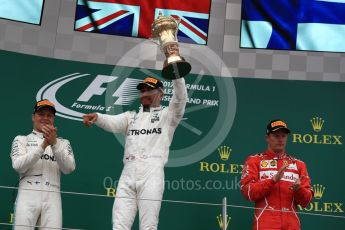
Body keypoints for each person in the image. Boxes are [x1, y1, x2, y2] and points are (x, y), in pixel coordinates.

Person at [83, 76, 187, 230]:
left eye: (149, 90)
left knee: (148, 226)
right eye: (142, 91)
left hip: (152, 173)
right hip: (128, 173)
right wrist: (97, 118)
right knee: (119, 226)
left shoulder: (168, 115)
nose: (144, 94)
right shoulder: (131, 117)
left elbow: (180, 98)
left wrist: (177, 76)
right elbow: (112, 122)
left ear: (161, 94)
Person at [10, 99, 76, 230]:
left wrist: (54, 143)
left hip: (53, 197)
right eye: (41, 114)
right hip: (27, 195)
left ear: (53, 119)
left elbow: (69, 168)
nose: (45, 118)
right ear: (33, 117)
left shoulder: (63, 143)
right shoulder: (21, 139)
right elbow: (18, 166)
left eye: (49, 115)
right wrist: (43, 145)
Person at [240, 119, 314, 230]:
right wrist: (273, 180)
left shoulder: (298, 164)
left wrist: (299, 189)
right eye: (276, 135)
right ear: (267, 138)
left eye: (283, 136)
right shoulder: (254, 161)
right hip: (266, 225)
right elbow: (248, 192)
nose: (280, 139)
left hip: (292, 226)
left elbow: (306, 201)